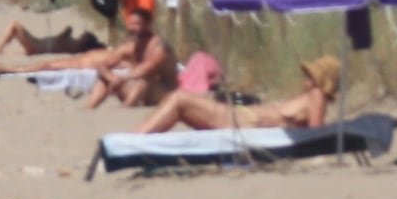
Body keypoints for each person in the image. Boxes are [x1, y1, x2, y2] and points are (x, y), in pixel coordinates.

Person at [128, 53, 341, 136]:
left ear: (322, 82)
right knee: (178, 100)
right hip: (240, 116)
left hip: (240, 121)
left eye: (311, 76)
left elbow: (316, 135)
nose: (306, 80)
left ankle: (131, 140)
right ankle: (134, 138)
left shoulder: (317, 97)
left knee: (179, 99)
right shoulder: (310, 97)